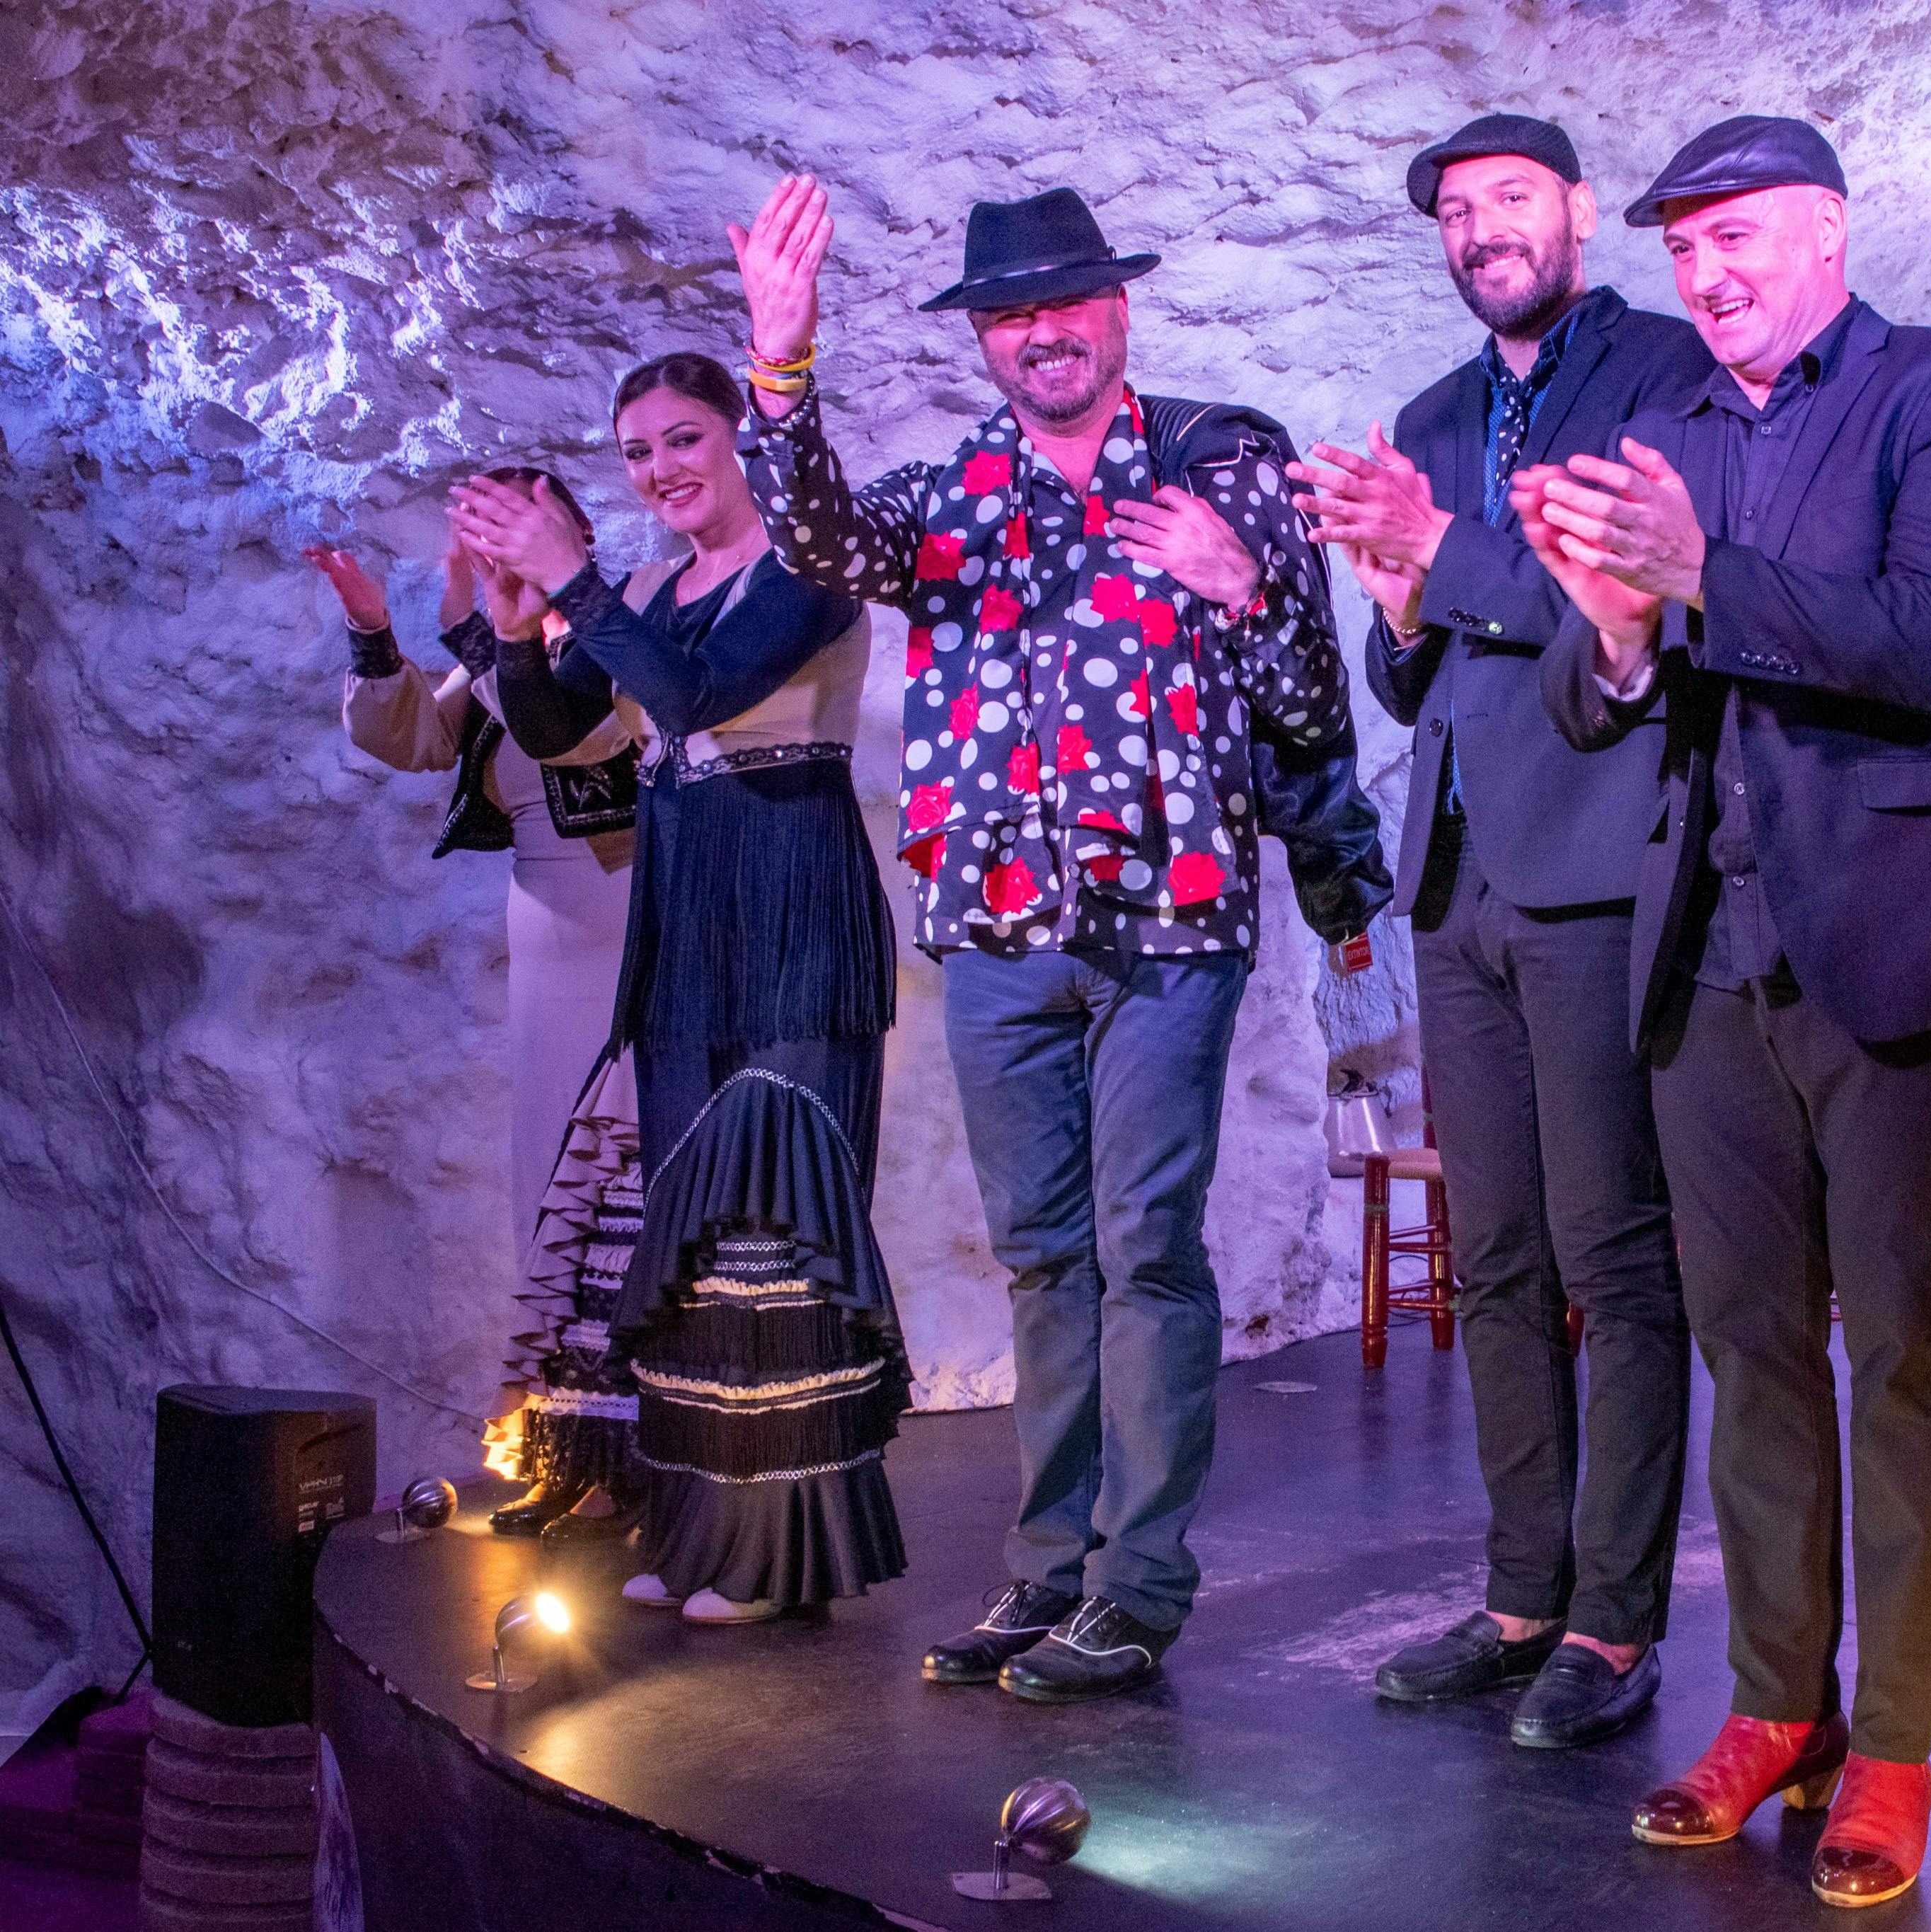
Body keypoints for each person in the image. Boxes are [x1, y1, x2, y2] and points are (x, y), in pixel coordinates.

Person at [1517, 116, 1931, 1907]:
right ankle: (1779, 1704)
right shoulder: (1669, 427)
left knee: (1901, 1355)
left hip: (1898, 942)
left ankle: (1894, 1744)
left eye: (1738, 235)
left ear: (1827, 231)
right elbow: (1591, 694)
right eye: (1683, 248)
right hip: (1706, 947)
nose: (1707, 274)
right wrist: (1613, 631)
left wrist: (1694, 581)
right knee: (1746, 1346)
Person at [729, 177, 1351, 1701]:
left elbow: (1311, 705)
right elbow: (817, 542)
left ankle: (1137, 1587)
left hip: (1172, 921)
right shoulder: (946, 498)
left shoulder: (1224, 469)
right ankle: (1049, 1568)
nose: (1040, 332)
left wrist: (1245, 589)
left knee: (1146, 1247)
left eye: (1064, 302)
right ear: (982, 341)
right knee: (1042, 1257)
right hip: (997, 925)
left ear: (1117, 309)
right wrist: (780, 367)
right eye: (1009, 314)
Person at [1285, 114, 1710, 1750]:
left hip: (1596, 859)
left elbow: (1620, 595)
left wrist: (1440, 557)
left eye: (1510, 199)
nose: (1481, 231)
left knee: (1614, 1253)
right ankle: (1522, 1594)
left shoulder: (1661, 374)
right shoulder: (1431, 416)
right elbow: (1414, 669)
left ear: (1579, 212)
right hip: (1451, 874)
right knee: (1498, 1263)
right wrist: (1397, 602)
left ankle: (1613, 1624)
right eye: (1455, 212)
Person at [448, 350, 910, 1627]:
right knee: (690, 1224)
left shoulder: (813, 563)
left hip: (789, 895)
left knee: (774, 1222)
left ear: (740, 438)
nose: (660, 469)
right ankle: (700, 1531)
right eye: (637, 452)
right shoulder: (650, 586)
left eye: (683, 438)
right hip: (686, 912)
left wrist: (574, 579)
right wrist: (517, 620)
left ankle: (776, 1553)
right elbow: (557, 731)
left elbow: (697, 693)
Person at [309, 500, 645, 1536]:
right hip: (545, 935)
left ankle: (647, 1457)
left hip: (633, 918)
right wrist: (374, 628)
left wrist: (482, 635)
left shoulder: (625, 628)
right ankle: (567, 1447)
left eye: (509, 533)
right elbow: (413, 734)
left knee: (624, 1187)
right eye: (481, 541)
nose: (495, 557)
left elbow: (573, 730)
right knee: (548, 1186)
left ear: (570, 537)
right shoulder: (502, 655)